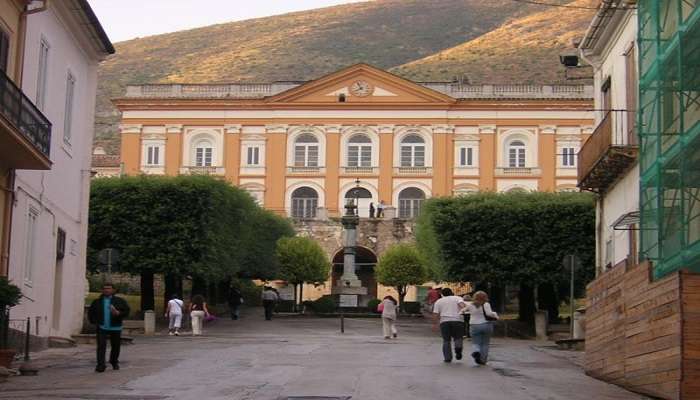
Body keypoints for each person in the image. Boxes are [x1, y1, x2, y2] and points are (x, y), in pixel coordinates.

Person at [88, 282, 130, 372]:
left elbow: (126, 311)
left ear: (113, 290)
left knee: (115, 346)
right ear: (102, 290)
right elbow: (91, 313)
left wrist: (118, 313)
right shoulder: (97, 302)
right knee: (101, 346)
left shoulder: (119, 301)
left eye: (109, 288)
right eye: (105, 288)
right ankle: (101, 365)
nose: (107, 290)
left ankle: (114, 361)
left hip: (115, 327)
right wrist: (95, 322)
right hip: (102, 327)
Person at [432, 288, 467, 363]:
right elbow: (462, 306)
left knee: (446, 340)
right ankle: (458, 350)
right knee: (458, 337)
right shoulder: (458, 298)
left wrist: (435, 324)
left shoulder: (439, 301)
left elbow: (435, 313)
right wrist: (465, 308)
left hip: (444, 321)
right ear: (452, 292)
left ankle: (447, 358)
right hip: (458, 320)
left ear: (442, 294)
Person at [464, 291, 499, 365]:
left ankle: (476, 351)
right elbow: (489, 313)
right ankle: (483, 360)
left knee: (475, 342)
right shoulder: (486, 304)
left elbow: (462, 311)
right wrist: (495, 314)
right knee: (485, 343)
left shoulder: (470, 305)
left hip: (474, 325)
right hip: (486, 325)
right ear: (485, 297)